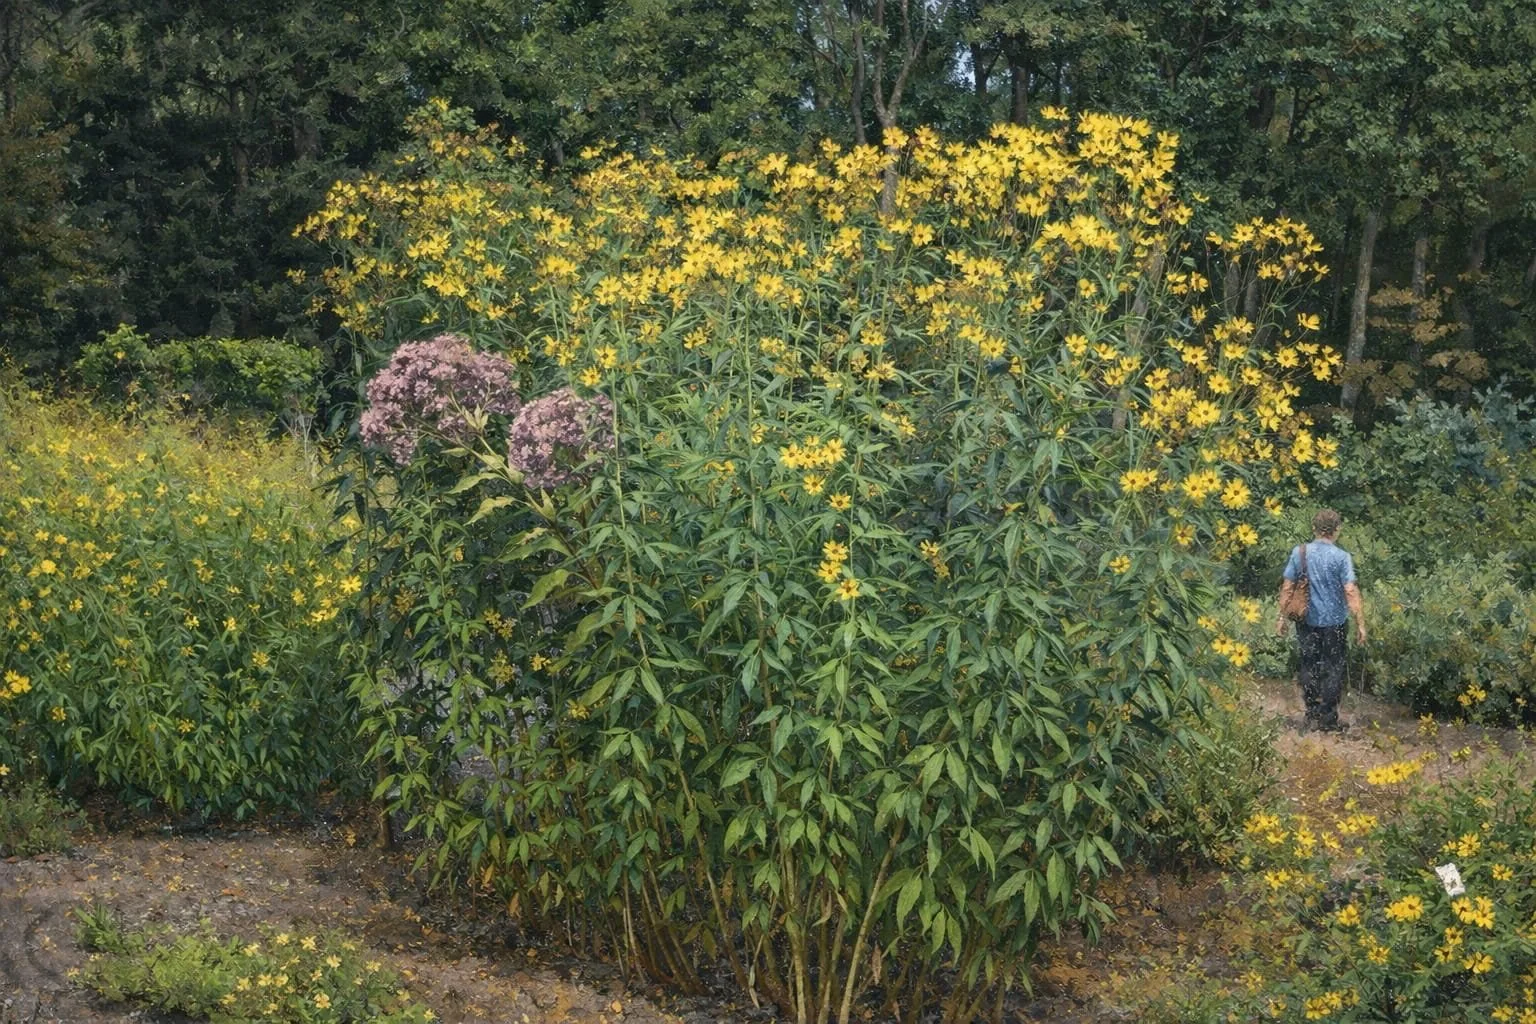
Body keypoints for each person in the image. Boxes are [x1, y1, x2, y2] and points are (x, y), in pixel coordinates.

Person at [1275, 508, 1366, 732]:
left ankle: (1311, 713)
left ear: (1314, 529)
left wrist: (1282, 618)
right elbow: (1350, 590)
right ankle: (1328, 719)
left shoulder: (1299, 553)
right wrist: (1360, 624)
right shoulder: (1342, 557)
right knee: (1334, 668)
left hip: (1306, 621)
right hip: (1335, 622)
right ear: (1337, 530)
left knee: (1309, 664)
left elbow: (1287, 587)